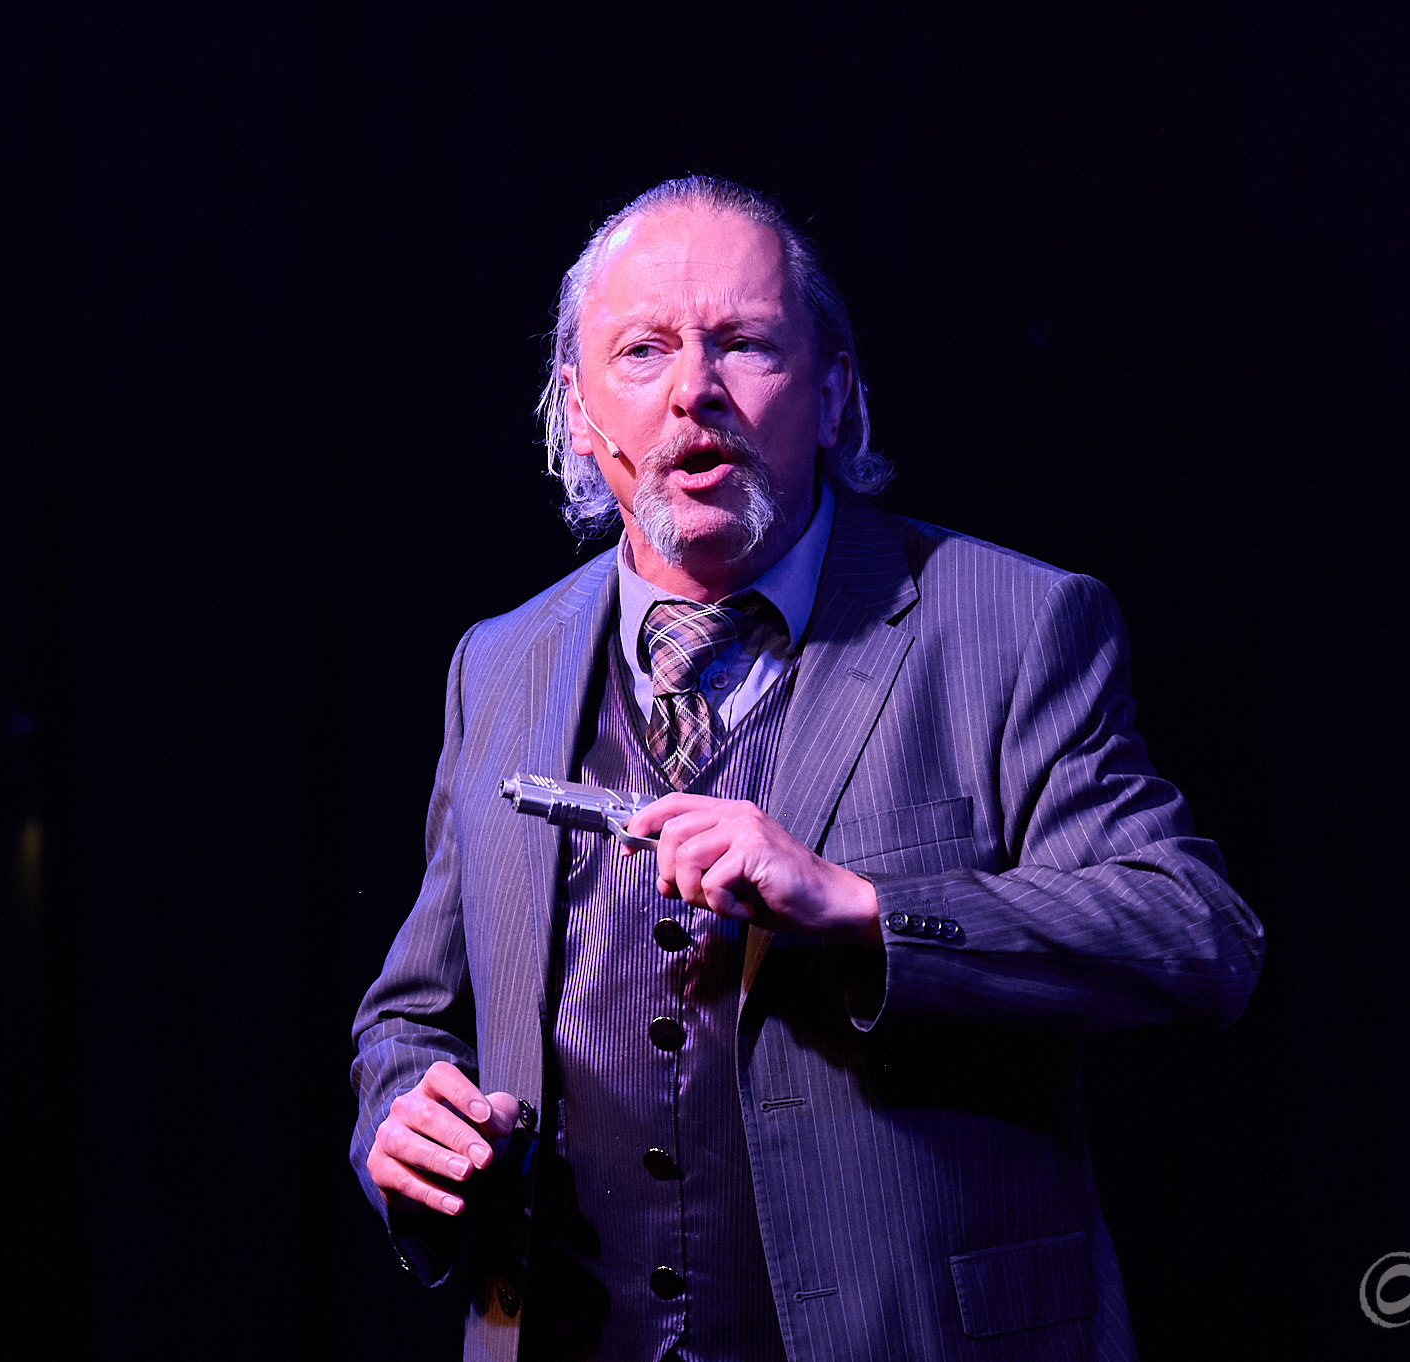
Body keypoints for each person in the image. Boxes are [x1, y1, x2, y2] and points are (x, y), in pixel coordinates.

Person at [350, 176, 1263, 1362]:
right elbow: (413, 1016)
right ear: (576, 411)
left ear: (832, 393)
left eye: (743, 344)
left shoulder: (1009, 625)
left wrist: (861, 908)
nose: (694, 389)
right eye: (643, 351)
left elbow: (1193, 935)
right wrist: (405, 1114)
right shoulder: (498, 665)